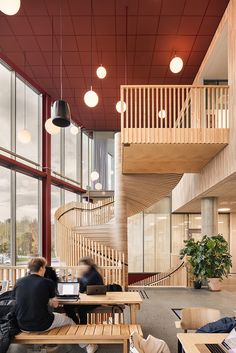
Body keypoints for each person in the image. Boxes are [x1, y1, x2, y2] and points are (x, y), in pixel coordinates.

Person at [13, 257, 98, 353]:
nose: (45, 270)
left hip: (22, 324)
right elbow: (55, 305)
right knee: (70, 321)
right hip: (42, 324)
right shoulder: (46, 282)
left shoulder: (19, 281)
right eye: (44, 268)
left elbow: (15, 299)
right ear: (41, 268)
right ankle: (87, 345)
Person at [64, 257, 104, 325]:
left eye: (82, 265)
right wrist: (79, 278)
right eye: (79, 265)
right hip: (85, 299)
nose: (80, 267)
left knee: (81, 309)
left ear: (88, 266)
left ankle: (83, 325)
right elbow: (80, 289)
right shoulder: (85, 274)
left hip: (96, 300)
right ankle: (75, 322)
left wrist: (79, 277)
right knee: (67, 306)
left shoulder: (93, 274)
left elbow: (83, 289)